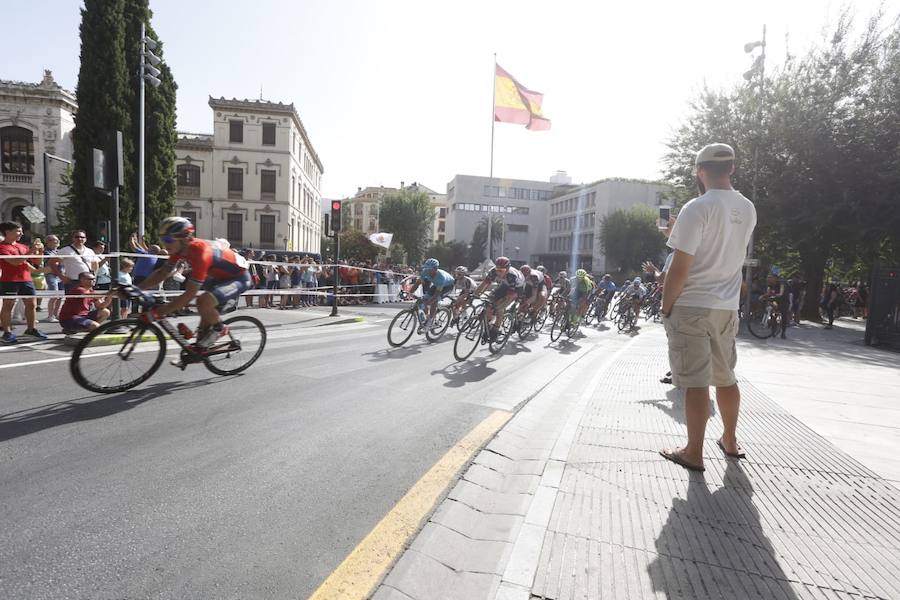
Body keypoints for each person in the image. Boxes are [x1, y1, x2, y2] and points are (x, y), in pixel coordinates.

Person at [660, 142, 757, 472]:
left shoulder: (696, 208)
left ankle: (693, 452)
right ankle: (729, 440)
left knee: (696, 382)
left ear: (699, 171)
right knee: (727, 378)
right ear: (731, 168)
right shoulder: (747, 208)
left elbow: (680, 268)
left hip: (691, 305)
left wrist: (665, 306)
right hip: (726, 307)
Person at [134, 216, 251, 349]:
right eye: (162, 239)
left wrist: (157, 313)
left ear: (183, 239)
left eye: (168, 240)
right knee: (202, 335)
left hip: (239, 277)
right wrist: (137, 288)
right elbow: (163, 272)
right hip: (218, 277)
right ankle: (200, 345)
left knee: (203, 302)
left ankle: (220, 328)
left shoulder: (201, 253)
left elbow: (189, 294)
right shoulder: (180, 249)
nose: (164, 244)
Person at [0, 221, 48, 343]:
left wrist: (40, 251)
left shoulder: (23, 246)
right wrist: (31, 250)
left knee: (31, 305)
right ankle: (7, 332)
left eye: (21, 231)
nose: (21, 233)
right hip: (9, 280)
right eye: (18, 231)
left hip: (26, 279)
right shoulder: (2, 247)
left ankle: (31, 329)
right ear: (7, 232)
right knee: (8, 306)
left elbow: (36, 262)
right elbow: (15, 262)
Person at [472, 256, 524, 340]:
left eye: (501, 270)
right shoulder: (493, 271)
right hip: (504, 285)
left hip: (517, 288)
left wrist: (498, 307)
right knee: (489, 303)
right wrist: (474, 295)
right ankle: (489, 325)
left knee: (499, 308)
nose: (498, 272)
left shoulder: (512, 276)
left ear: (507, 269)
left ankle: (496, 329)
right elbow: (484, 283)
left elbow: (508, 297)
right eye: (497, 269)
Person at [407, 257, 454, 333]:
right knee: (424, 299)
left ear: (435, 269)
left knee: (434, 301)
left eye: (430, 269)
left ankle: (429, 322)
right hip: (436, 285)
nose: (428, 271)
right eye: (427, 268)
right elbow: (417, 283)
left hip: (448, 286)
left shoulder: (441, 277)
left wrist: (427, 303)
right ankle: (428, 317)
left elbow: (436, 295)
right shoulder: (425, 271)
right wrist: (409, 292)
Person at [44, 234, 64, 322]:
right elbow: (52, 262)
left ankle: (56, 314)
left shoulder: (59, 251)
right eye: (55, 240)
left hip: (61, 275)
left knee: (60, 296)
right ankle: (50, 315)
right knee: (54, 296)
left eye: (58, 239)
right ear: (48, 242)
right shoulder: (46, 252)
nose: (57, 241)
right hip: (52, 275)